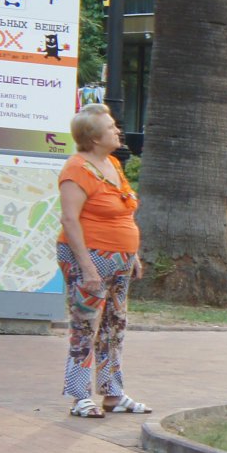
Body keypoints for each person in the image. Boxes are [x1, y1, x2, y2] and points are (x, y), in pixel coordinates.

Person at [56, 106, 148, 418]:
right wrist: (86, 266)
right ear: (94, 138)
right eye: (110, 128)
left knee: (114, 325)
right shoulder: (76, 170)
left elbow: (123, 211)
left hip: (120, 258)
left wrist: (132, 255)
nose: (117, 131)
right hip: (91, 257)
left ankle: (112, 392)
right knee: (85, 326)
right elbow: (70, 220)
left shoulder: (111, 163)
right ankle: (80, 395)